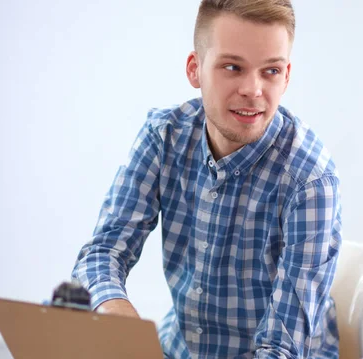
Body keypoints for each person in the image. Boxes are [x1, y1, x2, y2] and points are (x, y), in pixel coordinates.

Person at [71, 1, 342, 358]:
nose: (253, 89)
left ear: (287, 75)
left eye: (271, 71)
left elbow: (283, 348)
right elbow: (101, 253)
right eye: (233, 67)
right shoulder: (164, 136)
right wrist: (115, 313)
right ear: (195, 69)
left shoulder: (311, 180)